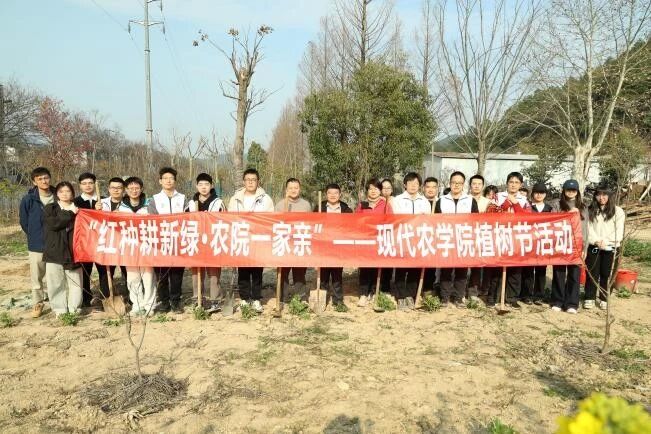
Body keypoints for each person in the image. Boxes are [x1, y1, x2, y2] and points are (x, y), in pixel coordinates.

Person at [227, 168, 274, 313]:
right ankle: (244, 298)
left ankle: (256, 299)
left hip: (258, 239)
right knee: (243, 270)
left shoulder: (266, 199)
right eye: (248, 180)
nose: (251, 182)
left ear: (258, 181)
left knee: (257, 270)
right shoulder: (235, 199)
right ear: (244, 182)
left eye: (253, 180)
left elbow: (271, 218)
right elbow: (230, 218)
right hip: (241, 238)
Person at [147, 167, 191, 314]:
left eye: (171, 178)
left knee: (177, 274)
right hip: (161, 242)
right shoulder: (154, 199)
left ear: (175, 181)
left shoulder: (183, 198)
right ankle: (164, 302)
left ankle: (176, 301)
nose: (168, 181)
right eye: (165, 178)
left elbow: (188, 217)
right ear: (160, 181)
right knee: (162, 274)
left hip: (178, 242)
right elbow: (152, 219)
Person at [435, 171, 479, 307]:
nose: (456, 185)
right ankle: (444, 297)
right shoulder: (441, 200)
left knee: (462, 270)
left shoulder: (470, 200)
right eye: (454, 182)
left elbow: (475, 220)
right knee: (446, 269)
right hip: (446, 238)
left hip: (464, 239)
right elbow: (436, 220)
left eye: (459, 183)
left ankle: (459, 297)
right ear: (450, 183)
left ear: (463, 184)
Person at [19, 167, 56, 318]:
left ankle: (56, 302)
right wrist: (35, 235)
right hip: (37, 244)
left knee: (54, 275)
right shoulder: (28, 199)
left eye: (46, 178)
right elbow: (24, 222)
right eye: (40, 179)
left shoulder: (58, 196)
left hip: (55, 243)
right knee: (37, 276)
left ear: (50, 178)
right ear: (34, 182)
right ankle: (38, 303)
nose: (44, 181)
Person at [43, 182, 83, 317]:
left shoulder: (79, 209)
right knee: (55, 283)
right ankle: (60, 310)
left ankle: (74, 309)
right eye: (61, 191)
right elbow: (54, 224)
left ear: (72, 193)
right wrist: (71, 213)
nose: (65, 194)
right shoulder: (50, 208)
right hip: (54, 250)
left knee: (75, 282)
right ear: (57, 194)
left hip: (74, 251)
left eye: (68, 191)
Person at [118, 176, 156, 316]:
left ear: (141, 189)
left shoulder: (149, 204)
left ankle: (150, 305)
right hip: (129, 247)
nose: (134, 191)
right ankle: (137, 305)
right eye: (131, 188)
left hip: (147, 245)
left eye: (137, 188)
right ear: (126, 190)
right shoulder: (121, 206)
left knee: (148, 276)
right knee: (133, 277)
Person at [393, 172, 431, 310]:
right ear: (405, 185)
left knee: (415, 269)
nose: (413, 186)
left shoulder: (424, 201)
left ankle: (410, 295)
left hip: (418, 239)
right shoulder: (397, 200)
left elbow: (428, 220)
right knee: (401, 269)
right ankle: (400, 296)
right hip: (403, 238)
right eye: (410, 183)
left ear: (420, 186)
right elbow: (396, 218)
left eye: (416, 183)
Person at [584, 184, 625, 311]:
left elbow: (619, 231)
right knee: (592, 271)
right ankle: (589, 297)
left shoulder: (618, 211)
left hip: (611, 247)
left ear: (609, 196)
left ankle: (604, 298)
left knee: (607, 273)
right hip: (594, 246)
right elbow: (588, 228)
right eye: (598, 195)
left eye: (604, 195)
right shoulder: (590, 210)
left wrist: (606, 242)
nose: (601, 198)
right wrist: (596, 240)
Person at [188, 173, 225, 312]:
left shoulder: (218, 203)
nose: (204, 187)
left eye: (207, 184)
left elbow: (225, 221)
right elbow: (184, 222)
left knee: (214, 273)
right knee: (196, 273)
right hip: (195, 242)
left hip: (213, 242)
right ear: (196, 186)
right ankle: (197, 299)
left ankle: (215, 300)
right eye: (201, 184)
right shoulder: (191, 204)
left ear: (212, 186)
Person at [494, 172, 531, 309]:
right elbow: (492, 213)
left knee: (515, 269)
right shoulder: (498, 196)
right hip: (500, 235)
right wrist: (506, 203)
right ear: (507, 183)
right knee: (498, 268)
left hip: (517, 237)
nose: (513, 185)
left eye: (516, 182)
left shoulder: (524, 200)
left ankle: (512, 298)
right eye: (511, 182)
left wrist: (515, 204)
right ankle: (496, 296)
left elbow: (527, 218)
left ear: (521, 185)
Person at [550, 179, 588, 314]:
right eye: (568, 190)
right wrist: (567, 214)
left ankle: (572, 303)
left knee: (574, 274)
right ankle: (557, 301)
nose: (571, 192)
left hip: (576, 245)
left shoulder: (583, 207)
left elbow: (585, 229)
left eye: (573, 190)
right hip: (560, 243)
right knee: (559, 273)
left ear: (577, 192)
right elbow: (552, 222)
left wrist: (585, 248)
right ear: (564, 191)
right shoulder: (556, 204)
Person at [314, 183, 353, 310]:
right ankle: (323, 299)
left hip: (338, 247)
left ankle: (338, 300)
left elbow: (350, 229)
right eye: (330, 193)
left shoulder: (346, 210)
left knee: (337, 275)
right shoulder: (319, 208)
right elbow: (313, 226)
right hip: (323, 246)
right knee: (323, 275)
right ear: (326, 194)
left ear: (340, 194)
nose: (333, 195)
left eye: (335, 193)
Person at [73, 172, 109, 309]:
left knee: (104, 271)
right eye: (84, 183)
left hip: (101, 241)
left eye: (90, 183)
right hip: (84, 242)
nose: (87, 186)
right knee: (85, 271)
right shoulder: (75, 202)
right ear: (80, 185)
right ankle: (86, 298)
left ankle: (105, 298)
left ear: (95, 184)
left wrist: (102, 210)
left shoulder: (103, 200)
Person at [275, 178, 312, 302]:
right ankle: (282, 296)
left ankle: (300, 297)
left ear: (299, 189)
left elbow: (310, 224)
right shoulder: (280, 205)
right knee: (283, 271)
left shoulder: (306, 205)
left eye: (296, 188)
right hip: (284, 242)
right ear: (286, 189)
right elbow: (275, 223)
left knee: (299, 271)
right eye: (290, 188)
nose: (293, 190)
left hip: (300, 241)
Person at [356, 178, 392, 306]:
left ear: (380, 191)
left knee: (378, 267)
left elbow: (391, 222)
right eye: (370, 188)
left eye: (376, 188)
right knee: (365, 268)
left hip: (380, 241)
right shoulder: (362, 205)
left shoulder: (385, 205)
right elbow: (355, 221)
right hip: (365, 241)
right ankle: (363, 294)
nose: (373, 191)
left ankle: (374, 291)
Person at [521, 183, 553, 305]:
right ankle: (527, 295)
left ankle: (539, 295)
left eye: (542, 192)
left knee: (541, 270)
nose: (539, 195)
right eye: (536, 192)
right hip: (529, 242)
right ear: (532, 194)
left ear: (545, 194)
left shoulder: (549, 209)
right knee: (528, 269)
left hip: (543, 243)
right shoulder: (527, 207)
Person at [99, 177, 127, 288]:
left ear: (123, 189)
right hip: (108, 242)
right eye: (113, 187)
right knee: (106, 272)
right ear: (109, 189)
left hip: (124, 242)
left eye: (119, 188)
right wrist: (97, 211)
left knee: (127, 270)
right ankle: (106, 295)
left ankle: (131, 295)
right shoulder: (101, 203)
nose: (116, 190)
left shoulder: (128, 203)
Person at [467, 175, 490, 299]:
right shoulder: (464, 200)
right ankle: (459, 291)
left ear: (483, 186)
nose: (476, 186)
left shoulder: (488, 203)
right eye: (474, 183)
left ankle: (473, 291)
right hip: (466, 235)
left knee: (477, 265)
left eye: (479, 184)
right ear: (470, 185)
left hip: (481, 236)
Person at [422, 177, 439, 296]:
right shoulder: (420, 201)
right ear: (423, 188)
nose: (431, 189)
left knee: (431, 264)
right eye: (428, 187)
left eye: (434, 187)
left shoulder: (441, 202)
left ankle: (428, 288)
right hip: (420, 236)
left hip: (435, 237)